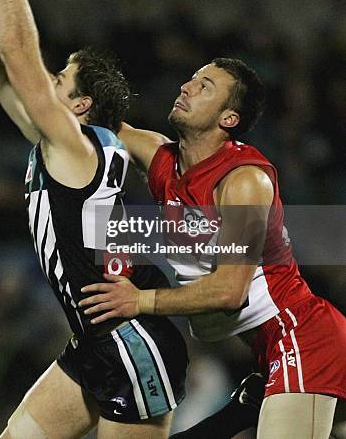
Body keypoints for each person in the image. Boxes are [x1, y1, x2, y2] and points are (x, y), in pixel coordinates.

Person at [0, 0, 189, 439]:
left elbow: (23, 61)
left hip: (131, 343)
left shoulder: (77, 148)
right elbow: (8, 80)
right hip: (92, 341)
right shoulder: (66, 146)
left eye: (60, 80)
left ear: (79, 105)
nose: (44, 82)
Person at [79, 58, 346, 439]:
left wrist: (139, 301)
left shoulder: (245, 181)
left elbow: (229, 290)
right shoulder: (162, 161)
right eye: (190, 80)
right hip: (272, 351)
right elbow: (87, 120)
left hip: (302, 338)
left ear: (229, 118)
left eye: (205, 86)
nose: (186, 87)